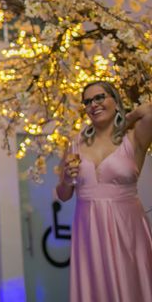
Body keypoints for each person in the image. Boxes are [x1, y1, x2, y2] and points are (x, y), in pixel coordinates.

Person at [56, 81, 152, 302]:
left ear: (115, 101)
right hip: (89, 229)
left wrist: (123, 120)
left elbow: (148, 110)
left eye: (100, 98)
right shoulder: (74, 144)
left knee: (132, 285)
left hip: (127, 228)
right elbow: (63, 194)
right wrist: (67, 179)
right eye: (88, 102)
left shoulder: (134, 138)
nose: (93, 104)